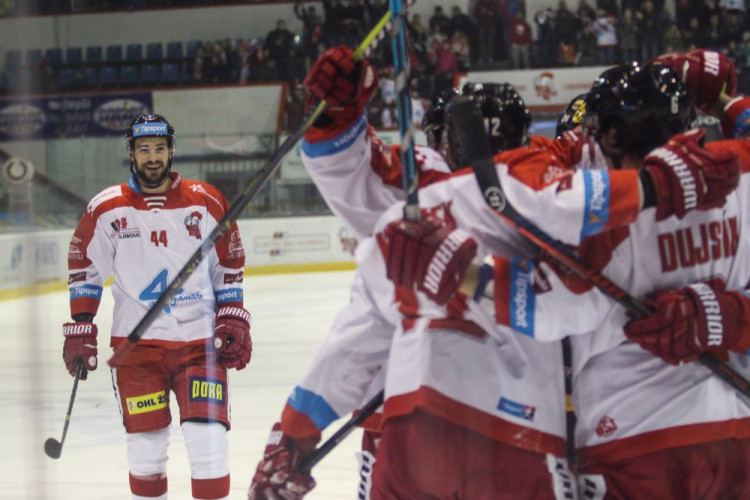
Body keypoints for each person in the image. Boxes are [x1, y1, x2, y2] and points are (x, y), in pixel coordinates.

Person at [385, 57, 750, 499]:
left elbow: (550, 307)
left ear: (611, 134)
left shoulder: (606, 218)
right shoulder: (735, 177)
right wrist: (728, 102)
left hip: (636, 444)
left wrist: (458, 275)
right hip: (736, 435)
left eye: (592, 130)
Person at [63, 114, 251, 500]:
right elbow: (84, 266)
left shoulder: (205, 199)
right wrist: (82, 323)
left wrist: (231, 312)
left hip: (200, 345)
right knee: (146, 455)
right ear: (131, 153)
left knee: (209, 445)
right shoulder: (107, 208)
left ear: (171, 151)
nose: (153, 157)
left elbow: (229, 262)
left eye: (160, 148)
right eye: (144, 149)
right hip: (136, 351)